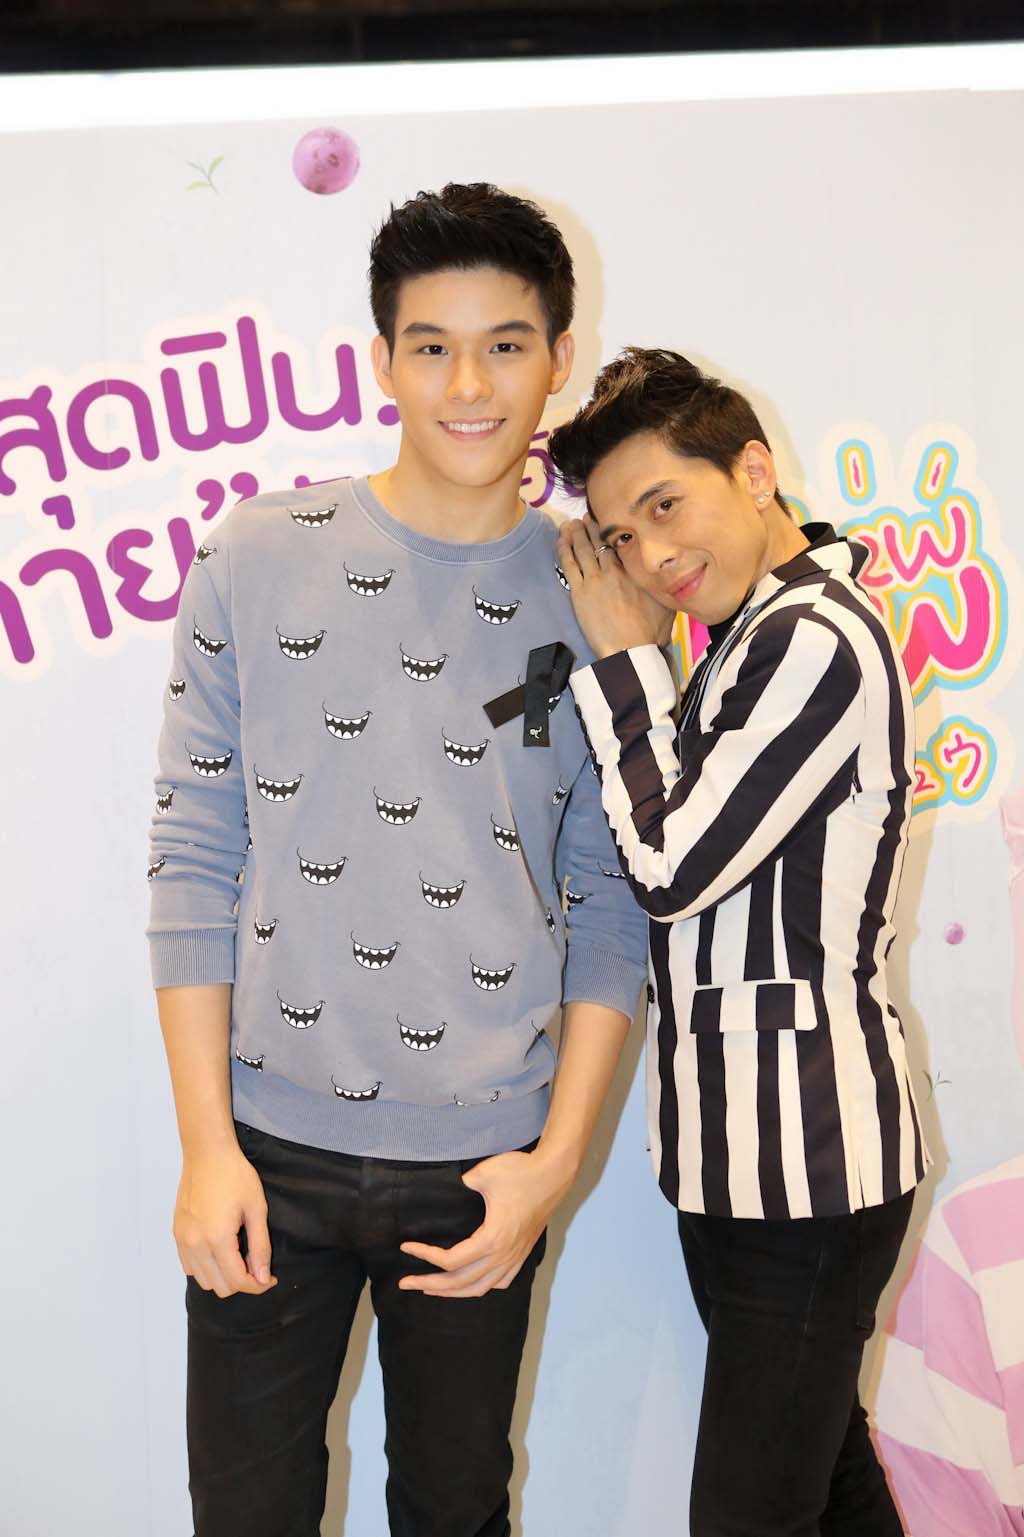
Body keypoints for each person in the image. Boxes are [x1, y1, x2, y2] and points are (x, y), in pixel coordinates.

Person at [146, 183, 647, 1537]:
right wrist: (205, 1145)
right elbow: (194, 849)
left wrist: (552, 1163)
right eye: (432, 346)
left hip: (482, 1165)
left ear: (559, 357)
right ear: (382, 360)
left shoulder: (597, 597)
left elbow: (612, 897)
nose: (468, 386)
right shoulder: (257, 555)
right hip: (267, 1154)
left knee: (457, 1513)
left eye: (505, 345)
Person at [549, 348, 931, 1537]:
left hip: (808, 1165)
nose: (651, 556)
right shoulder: (745, 640)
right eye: (621, 535)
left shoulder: (813, 635)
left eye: (666, 504)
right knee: (825, 1483)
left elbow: (670, 864)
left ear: (754, 472)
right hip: (744, 1162)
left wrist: (626, 661)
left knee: (751, 1514)